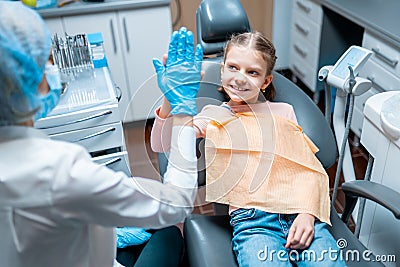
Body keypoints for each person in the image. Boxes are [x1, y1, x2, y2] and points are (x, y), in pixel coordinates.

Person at [0, 2, 202, 267]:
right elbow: (176, 203)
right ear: (25, 79)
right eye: (49, 61)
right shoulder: (60, 170)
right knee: (170, 231)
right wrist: (183, 109)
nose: (54, 70)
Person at [151, 31, 346, 266]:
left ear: (265, 81)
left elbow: (306, 169)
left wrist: (308, 213)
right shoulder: (214, 116)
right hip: (254, 224)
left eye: (252, 72)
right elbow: (163, 145)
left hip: (300, 212)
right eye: (233, 67)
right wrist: (170, 98)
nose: (240, 78)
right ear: (222, 70)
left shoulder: (284, 111)